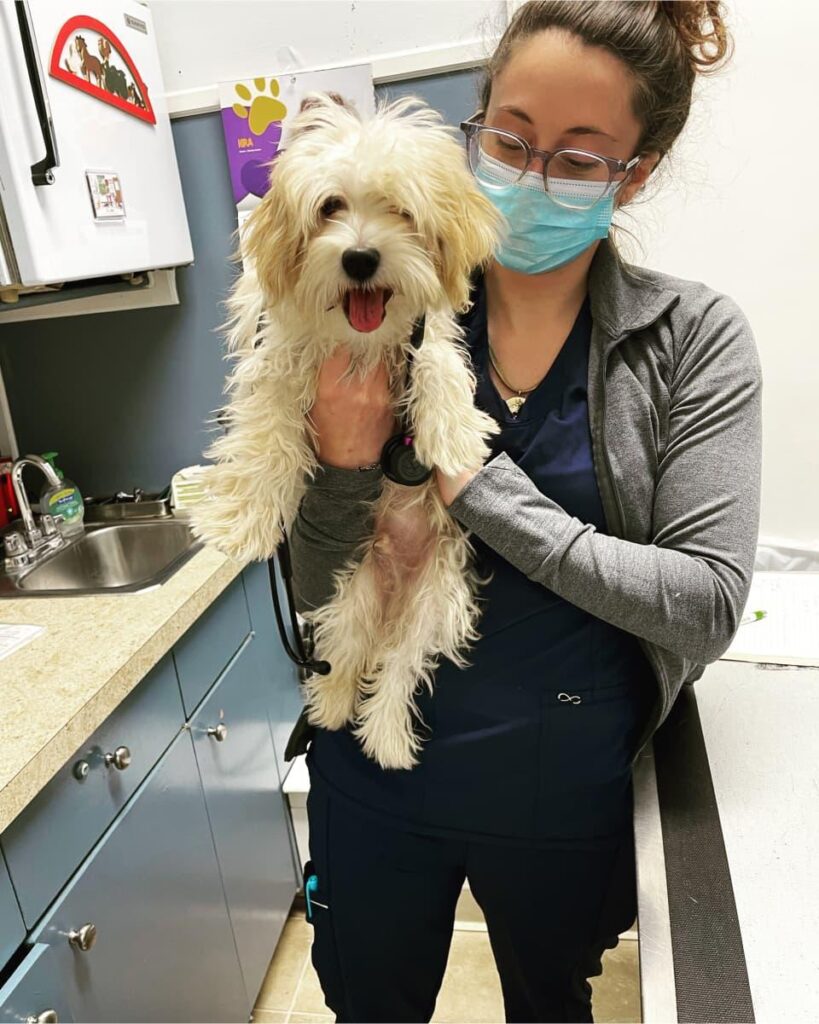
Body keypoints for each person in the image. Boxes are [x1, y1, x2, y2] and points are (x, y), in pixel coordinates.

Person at [288, 2, 762, 1021]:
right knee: (368, 1003)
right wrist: (338, 462)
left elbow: (707, 602)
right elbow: (309, 590)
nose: (532, 175)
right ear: (476, 125)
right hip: (376, 766)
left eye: (581, 158)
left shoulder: (692, 342)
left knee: (553, 1005)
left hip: (563, 781)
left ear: (638, 169)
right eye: (508, 138)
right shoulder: (388, 303)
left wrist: (480, 487)